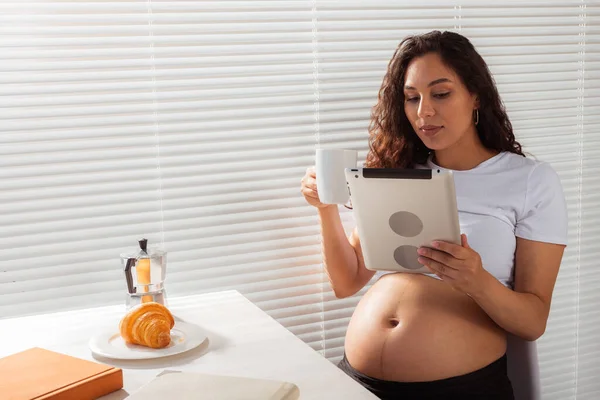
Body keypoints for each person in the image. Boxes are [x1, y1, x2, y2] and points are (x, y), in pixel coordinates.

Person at [300, 30, 568, 400]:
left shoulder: (531, 180)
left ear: (476, 96)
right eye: (412, 98)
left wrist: (476, 280)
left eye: (441, 94)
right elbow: (346, 281)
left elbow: (533, 321)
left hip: (458, 388)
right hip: (357, 383)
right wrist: (326, 209)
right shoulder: (399, 170)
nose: (424, 111)